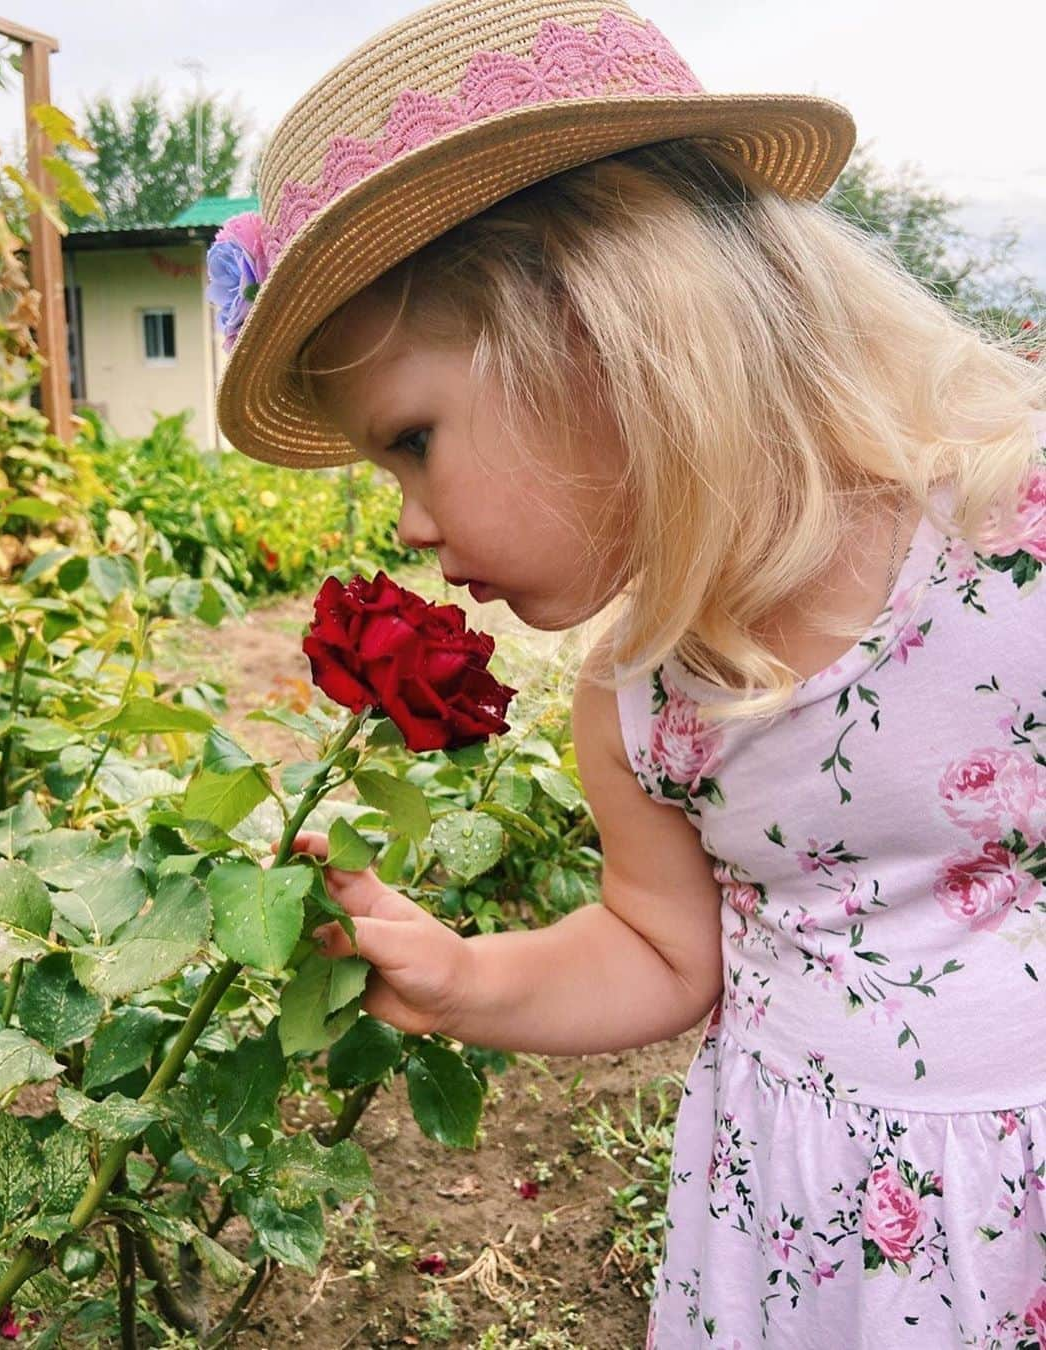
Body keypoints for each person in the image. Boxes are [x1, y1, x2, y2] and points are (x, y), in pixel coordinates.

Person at [208, 0, 1046, 1343]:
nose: (408, 526)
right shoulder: (645, 693)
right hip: (801, 1226)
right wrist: (469, 980)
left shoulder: (1014, 541)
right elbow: (664, 947)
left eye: (412, 440)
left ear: (594, 322)